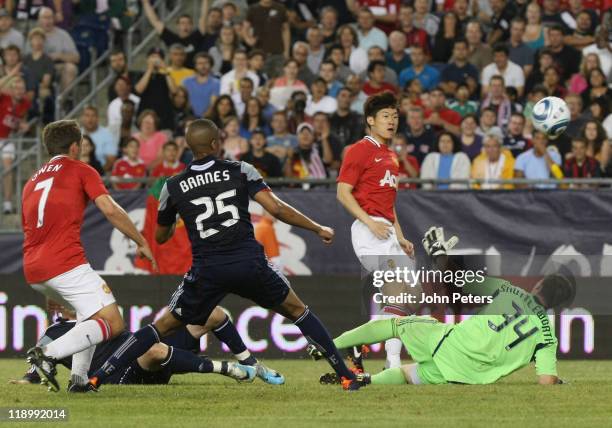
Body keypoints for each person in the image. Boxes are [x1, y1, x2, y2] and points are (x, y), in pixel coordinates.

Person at [87, 118, 364, 391]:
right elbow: (277, 209)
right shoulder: (241, 169)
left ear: (188, 146)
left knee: (160, 327)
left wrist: (176, 221)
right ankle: (345, 376)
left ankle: (98, 376)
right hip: (249, 263)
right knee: (299, 312)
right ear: (216, 143)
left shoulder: (173, 185)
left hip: (208, 270)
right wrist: (317, 228)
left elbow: (160, 236)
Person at [317, 226, 571, 387]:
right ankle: (367, 381)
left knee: (396, 324)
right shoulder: (547, 337)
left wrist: (440, 257)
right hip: (470, 375)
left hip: (452, 342)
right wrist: (556, 380)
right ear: (556, 308)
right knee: (408, 375)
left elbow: (459, 282)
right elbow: (545, 381)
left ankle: (330, 344)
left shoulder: (508, 289)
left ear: (538, 285)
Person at [22, 120, 156, 392]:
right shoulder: (80, 169)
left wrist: (50, 291)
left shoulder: (31, 182)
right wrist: (140, 240)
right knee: (112, 322)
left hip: (34, 268)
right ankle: (47, 354)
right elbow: (110, 209)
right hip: (64, 262)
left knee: (88, 315)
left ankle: (79, 381)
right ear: (75, 146)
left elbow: (34, 231)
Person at [336, 92, 415, 370]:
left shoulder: (391, 155)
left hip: (387, 230)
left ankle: (359, 345)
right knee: (396, 293)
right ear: (371, 120)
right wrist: (369, 222)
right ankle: (391, 364)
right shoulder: (360, 150)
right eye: (385, 116)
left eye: (395, 116)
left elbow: (388, 204)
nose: (391, 121)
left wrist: (401, 236)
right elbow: (343, 193)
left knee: (405, 298)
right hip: (368, 230)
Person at [17, 307, 283, 386]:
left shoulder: (101, 314)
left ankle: (252, 364)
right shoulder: (55, 331)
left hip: (137, 349)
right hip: (121, 372)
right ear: (57, 305)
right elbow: (40, 361)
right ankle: (226, 369)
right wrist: (28, 379)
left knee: (212, 313)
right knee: (154, 350)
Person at [142, 0, 218, 68]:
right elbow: (155, 21)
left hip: (193, 75)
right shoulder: (171, 38)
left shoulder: (197, 36)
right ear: (177, 26)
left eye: (188, 23)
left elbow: (203, 16)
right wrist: (145, 2)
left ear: (192, 26)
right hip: (174, 75)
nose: (185, 25)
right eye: (182, 23)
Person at [0, 76, 30, 214]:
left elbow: (20, 123)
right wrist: (12, 74)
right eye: (16, 88)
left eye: (21, 88)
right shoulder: (4, 97)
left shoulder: (25, 103)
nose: (19, 91)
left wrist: (23, 126)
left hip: (7, 139)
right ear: (11, 89)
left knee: (7, 167)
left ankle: (7, 203)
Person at [35, 7, 79, 92]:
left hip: (57, 67)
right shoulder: (34, 34)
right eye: (45, 18)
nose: (48, 21)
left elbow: (76, 58)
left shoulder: (63, 35)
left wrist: (60, 56)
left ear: (54, 19)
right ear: (39, 20)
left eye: (50, 17)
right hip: (38, 67)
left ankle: (63, 101)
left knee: (71, 68)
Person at [242, 0, 290, 78]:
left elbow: (286, 30)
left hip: (278, 53)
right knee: (260, 82)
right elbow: (245, 28)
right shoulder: (253, 9)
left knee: (279, 82)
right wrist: (248, 40)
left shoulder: (281, 8)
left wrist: (286, 51)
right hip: (259, 55)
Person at [135, 48, 177, 131]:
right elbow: (139, 90)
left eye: (158, 58)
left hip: (164, 116)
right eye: (153, 57)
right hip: (145, 115)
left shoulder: (166, 76)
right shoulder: (140, 75)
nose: (155, 60)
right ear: (147, 59)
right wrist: (150, 69)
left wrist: (165, 70)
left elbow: (174, 91)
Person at [182, 52, 220, 118]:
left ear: (211, 65)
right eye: (200, 63)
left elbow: (212, 105)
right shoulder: (186, 82)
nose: (203, 66)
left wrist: (202, 120)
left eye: (206, 63)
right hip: (188, 118)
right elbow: (184, 102)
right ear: (195, 65)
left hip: (208, 119)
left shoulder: (216, 83)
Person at [80, 106, 117, 173]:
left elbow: (111, 160)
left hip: (101, 173)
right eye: (87, 115)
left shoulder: (107, 134)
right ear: (82, 118)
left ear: (97, 118)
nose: (90, 119)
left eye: (93, 116)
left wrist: (98, 174)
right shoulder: (76, 133)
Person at [330, 87, 365, 153]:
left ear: (352, 100)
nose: (346, 99)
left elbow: (358, 140)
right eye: (343, 96)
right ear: (337, 97)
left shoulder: (358, 119)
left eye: (349, 96)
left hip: (352, 156)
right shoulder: (329, 119)